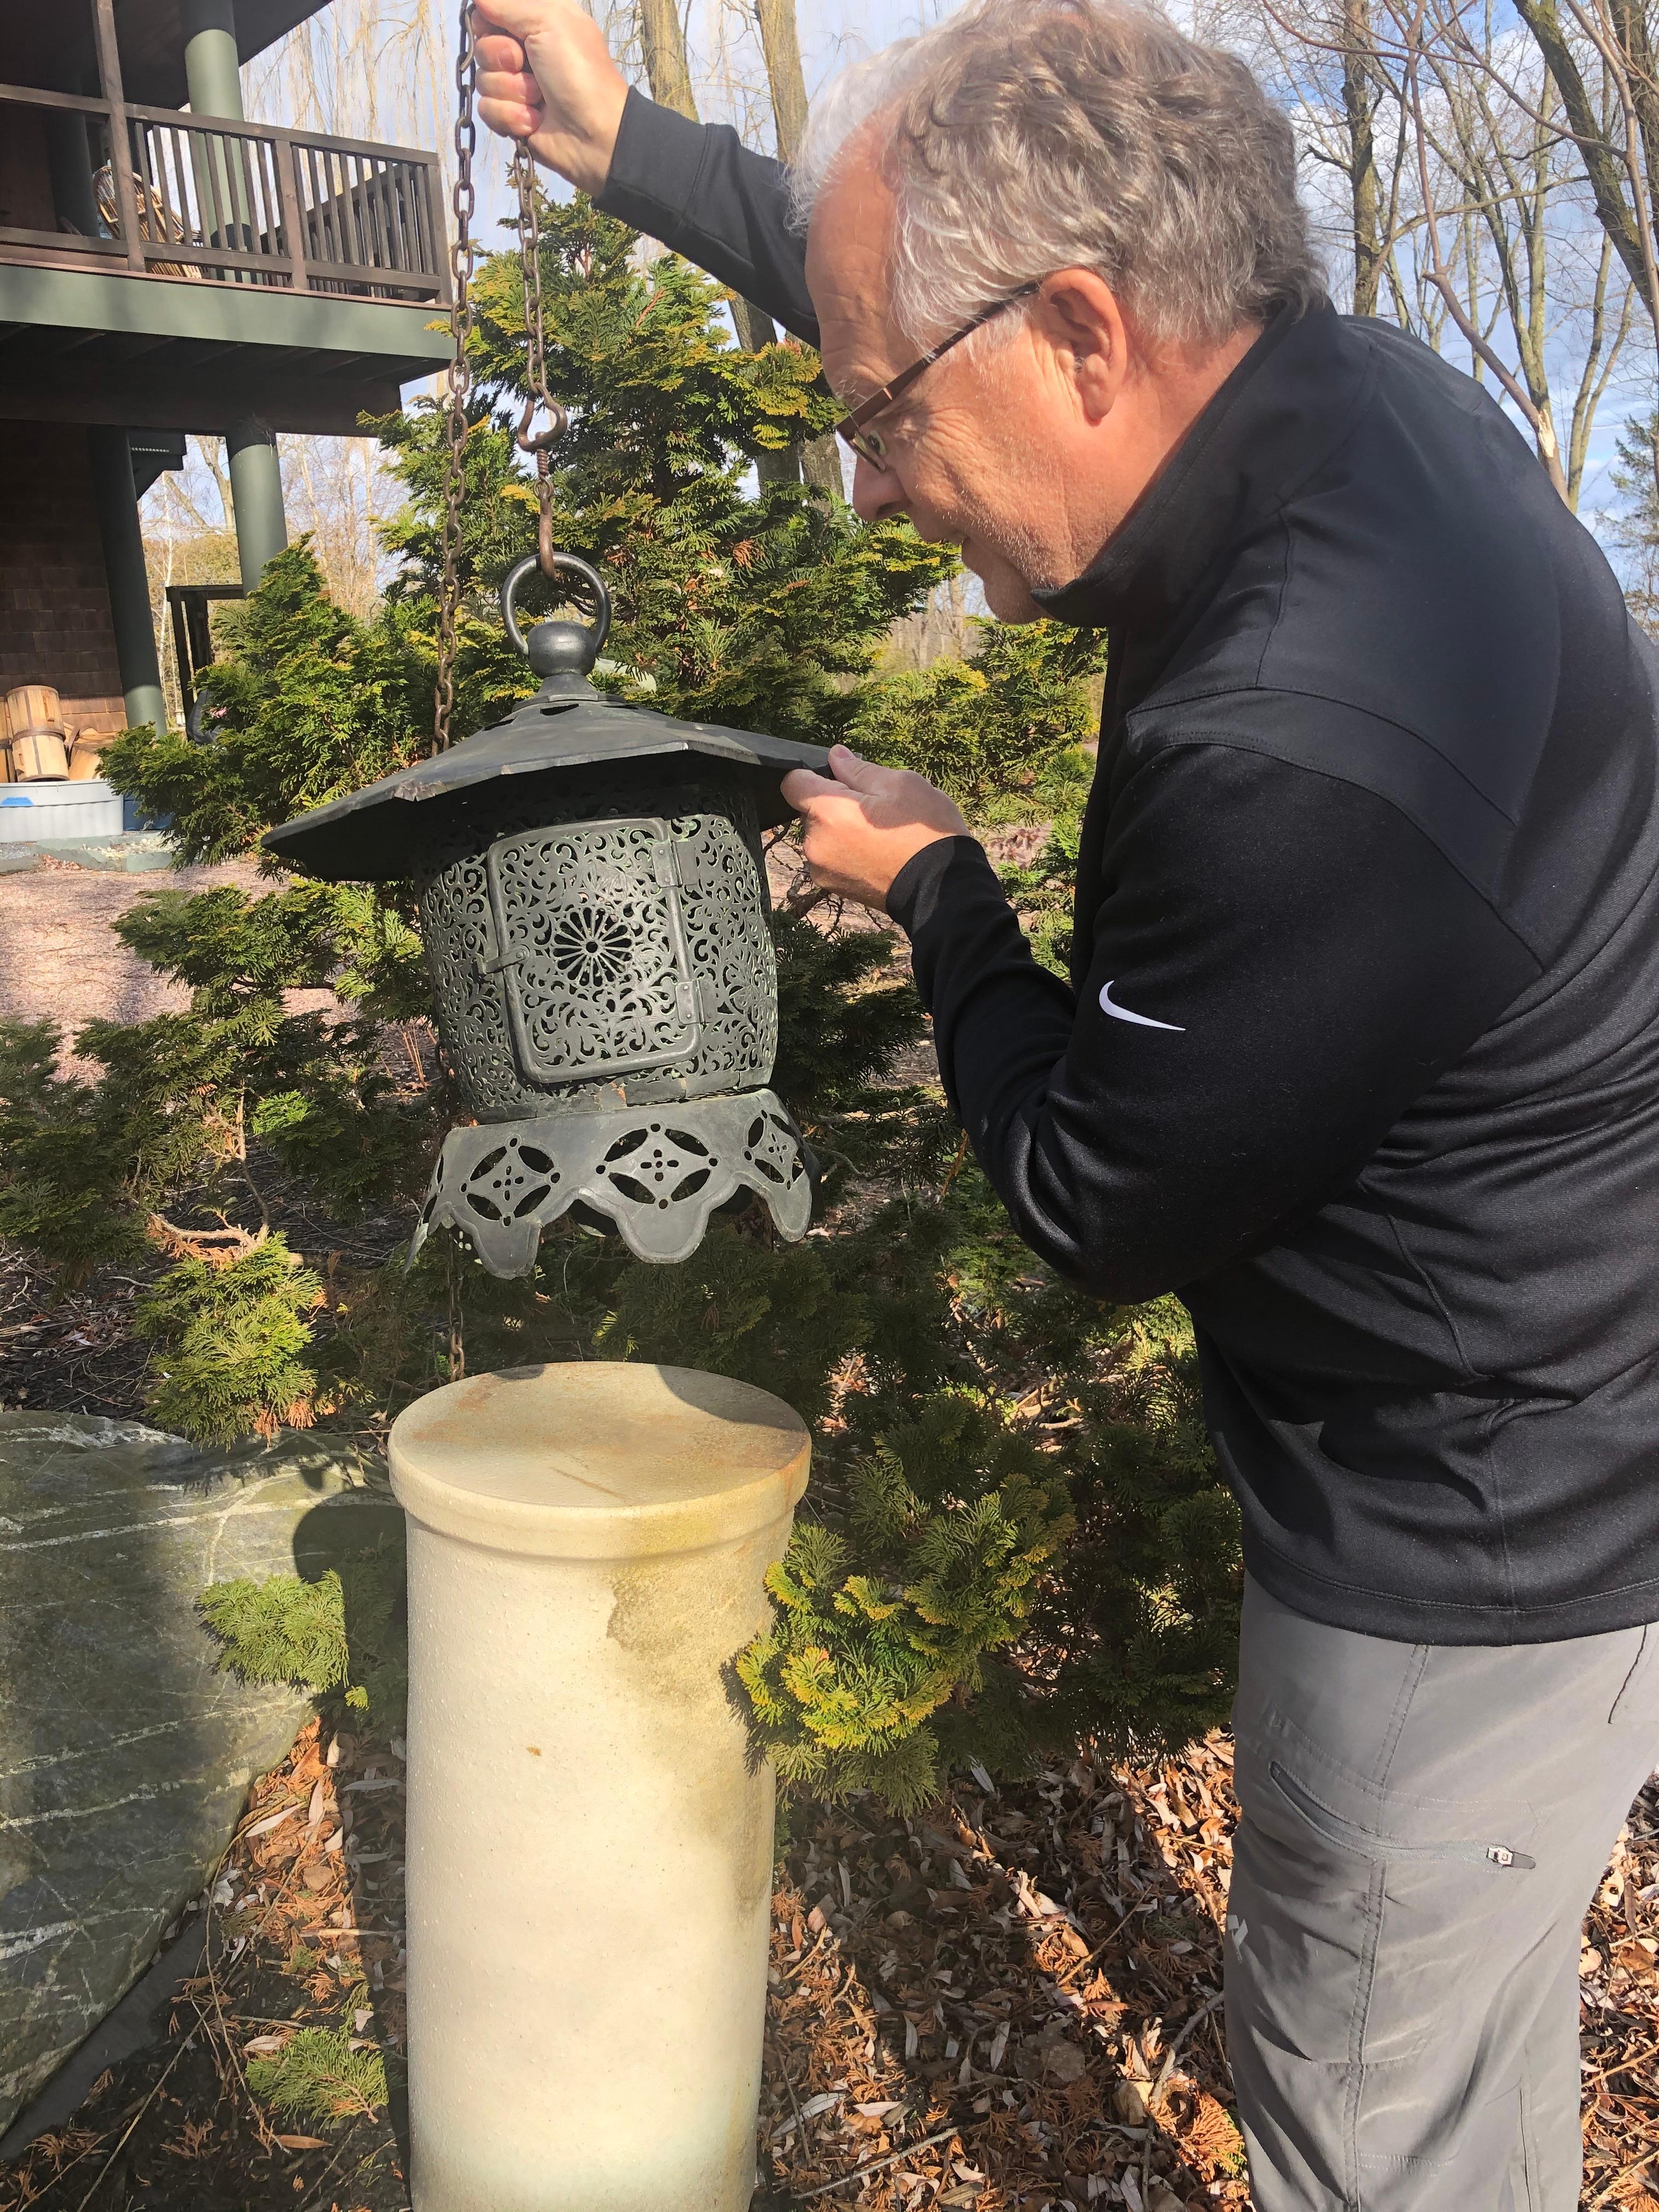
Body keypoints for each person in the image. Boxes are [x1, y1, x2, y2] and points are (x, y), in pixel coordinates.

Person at [471, 1, 1659, 2203]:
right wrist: (627, 148)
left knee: (1369, 2117)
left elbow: (1094, 1194)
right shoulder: (1326, 391)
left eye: (881, 426)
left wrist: (935, 889)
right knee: (1469, 2069)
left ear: (1087, 336)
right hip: (1570, 1420)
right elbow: (906, 296)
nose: (871, 481)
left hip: (1470, 1539)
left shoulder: (1309, 734)